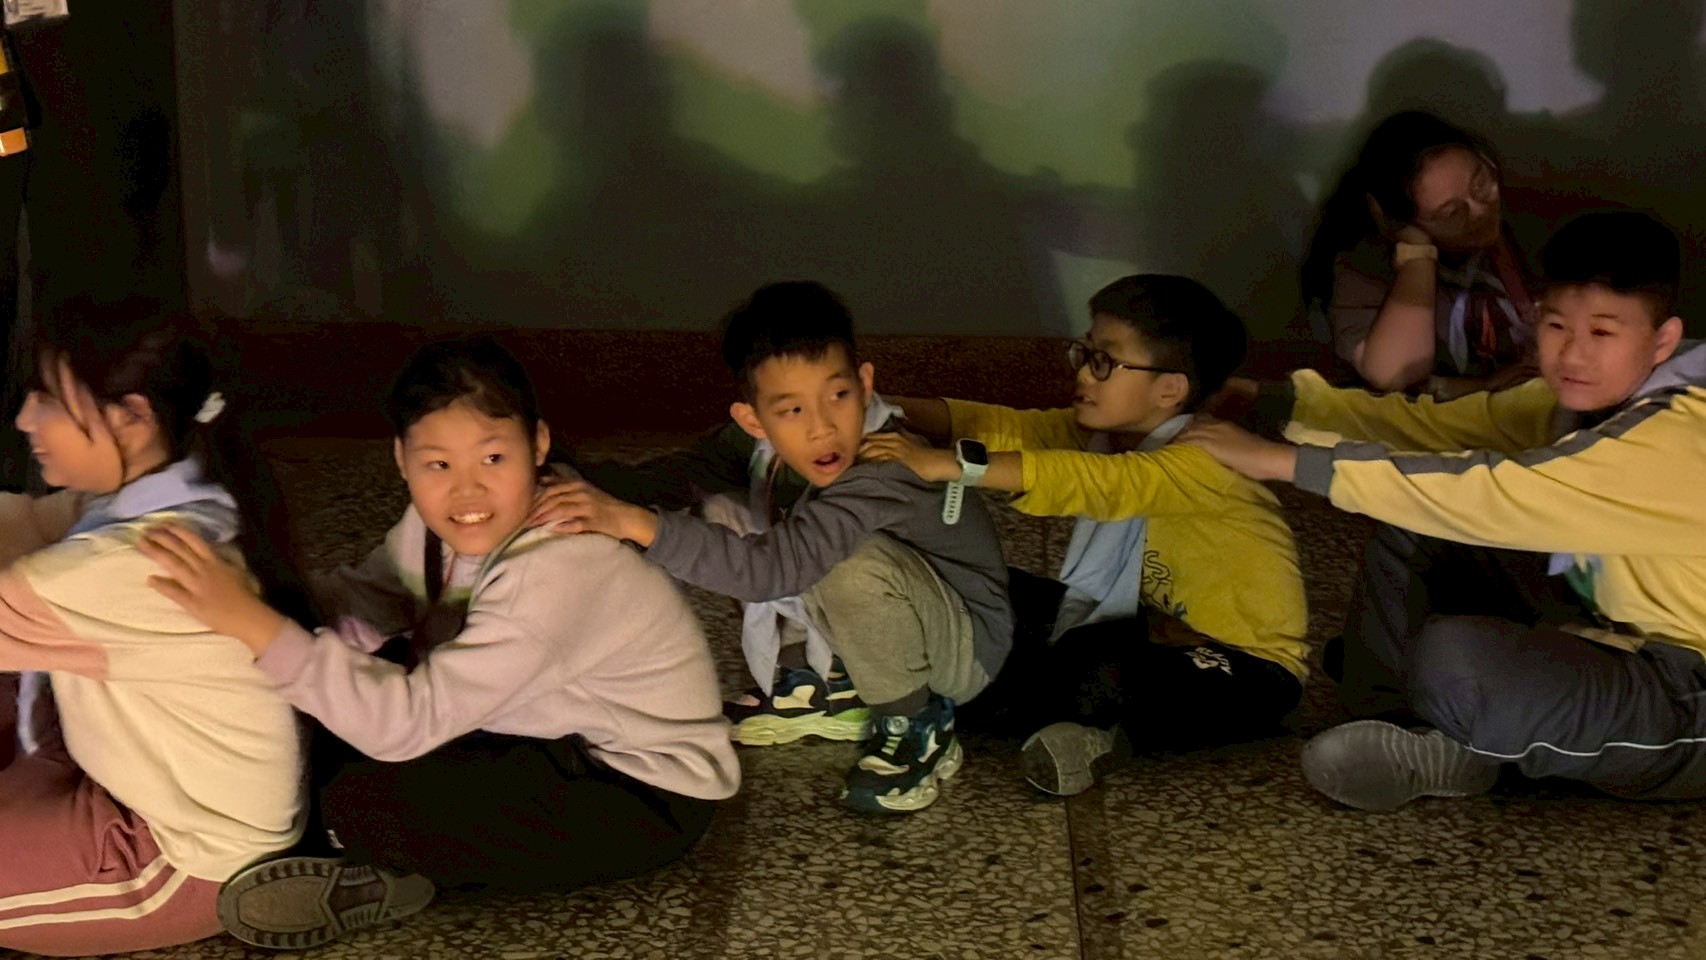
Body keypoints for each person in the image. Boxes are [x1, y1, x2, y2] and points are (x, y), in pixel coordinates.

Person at [142, 336, 740, 949]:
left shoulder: (561, 564)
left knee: (363, 796)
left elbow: (405, 725)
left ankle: (389, 875)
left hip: (637, 792)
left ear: (537, 445)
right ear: (402, 459)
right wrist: (248, 605)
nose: (467, 492)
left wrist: (257, 628)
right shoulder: (437, 524)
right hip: (534, 727)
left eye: (493, 458)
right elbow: (370, 598)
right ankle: (344, 840)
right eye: (438, 465)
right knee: (325, 706)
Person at [1182, 210, 1706, 812]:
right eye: (1557, 325)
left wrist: (1280, 461)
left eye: (1603, 334)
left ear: (1663, 341)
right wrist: (1270, 402)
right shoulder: (1578, 399)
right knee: (1416, 531)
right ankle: (1397, 722)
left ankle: (1467, 735)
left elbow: (1489, 492)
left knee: (1455, 659)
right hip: (1609, 620)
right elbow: (1437, 430)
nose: (1573, 354)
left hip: (1687, 686)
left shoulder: (1679, 437)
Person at [536, 281, 1013, 815]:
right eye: (791, 411)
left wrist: (629, 521)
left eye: (838, 396)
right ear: (753, 419)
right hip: (897, 614)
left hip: (961, 649)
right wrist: (576, 485)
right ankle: (821, 684)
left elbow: (774, 570)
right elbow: (684, 474)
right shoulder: (756, 445)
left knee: (844, 563)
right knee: (724, 509)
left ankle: (917, 721)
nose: (822, 428)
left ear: (865, 384)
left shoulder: (884, 465)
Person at [871, 275, 1308, 796]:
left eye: (1104, 362)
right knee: (976, 583)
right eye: (1084, 353)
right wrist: (879, 408)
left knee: (1098, 668)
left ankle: (1094, 735)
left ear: (1169, 389)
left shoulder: (1205, 457)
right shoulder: (1106, 434)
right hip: (1136, 627)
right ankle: (1006, 696)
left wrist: (949, 465)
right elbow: (1007, 428)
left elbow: (1097, 482)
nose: (1083, 373)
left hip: (1241, 665)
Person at [0, 299, 305, 955]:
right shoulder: (174, 493)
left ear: (130, 418)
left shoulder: (137, 560)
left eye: (46, 401)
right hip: (117, 763)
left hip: (181, 851)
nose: (25, 419)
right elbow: (25, 524)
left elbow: (36, 564)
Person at [1301, 110, 1538, 398]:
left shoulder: (1514, 223)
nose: (1480, 210)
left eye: (1480, 183)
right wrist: (1418, 256)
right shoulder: (1363, 270)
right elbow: (1394, 374)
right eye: (1452, 213)